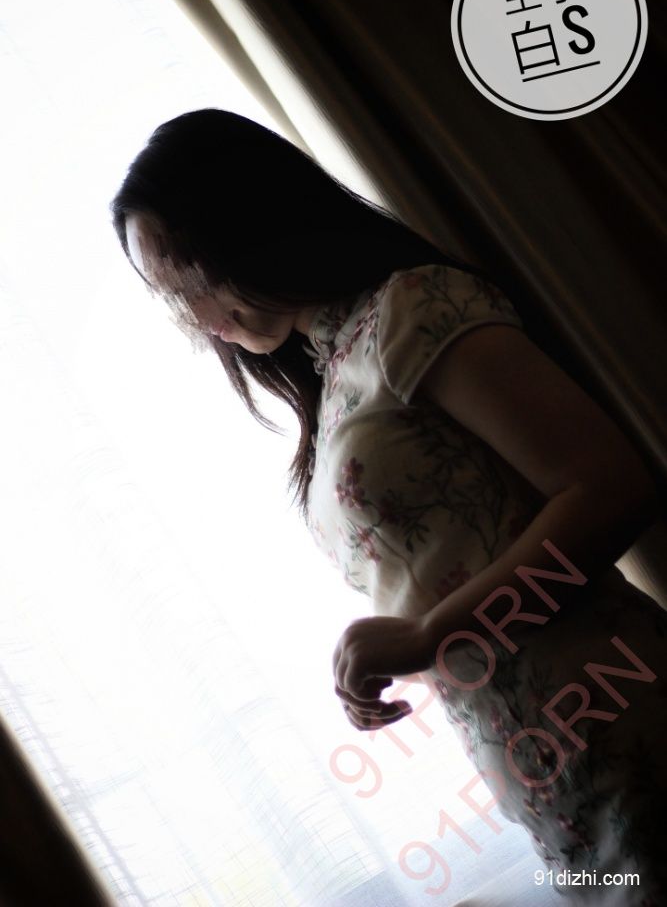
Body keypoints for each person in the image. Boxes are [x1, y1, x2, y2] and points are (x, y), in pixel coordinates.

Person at [111, 108, 667, 903]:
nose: (201, 320)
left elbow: (611, 491)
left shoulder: (411, 309)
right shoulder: (334, 378)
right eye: (175, 300)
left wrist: (429, 635)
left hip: (624, 715)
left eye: (194, 281)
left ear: (251, 219)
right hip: (551, 772)